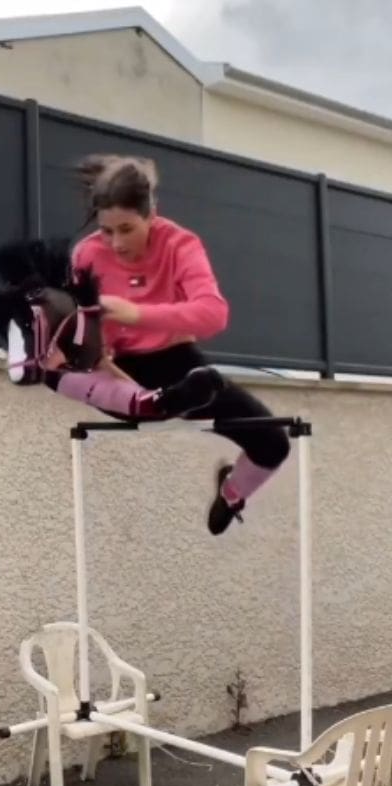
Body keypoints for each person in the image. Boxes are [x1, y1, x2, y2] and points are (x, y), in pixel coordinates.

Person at [45, 153, 290, 536]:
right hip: (117, 370)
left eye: (126, 229)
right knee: (114, 391)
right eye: (106, 230)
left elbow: (213, 314)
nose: (115, 243)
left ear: (151, 214)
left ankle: (232, 492)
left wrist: (136, 314)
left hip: (176, 364)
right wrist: (94, 345)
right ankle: (155, 402)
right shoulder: (87, 254)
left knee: (274, 444)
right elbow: (78, 321)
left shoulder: (180, 245)